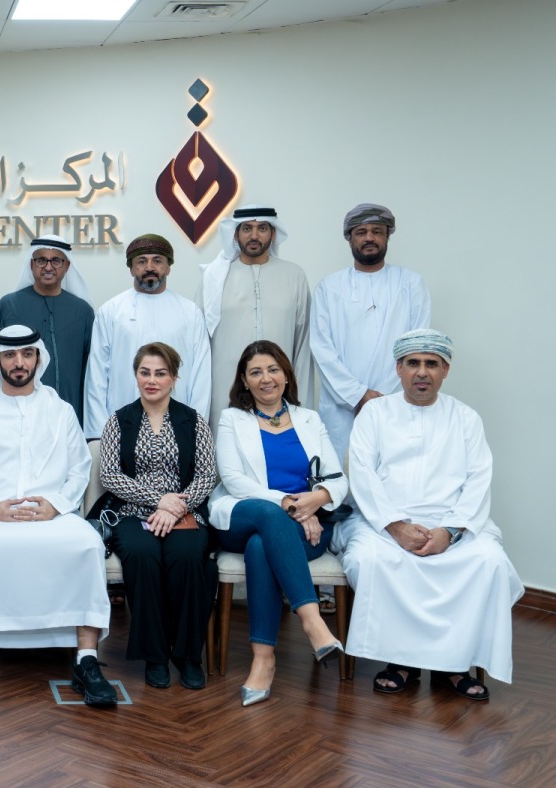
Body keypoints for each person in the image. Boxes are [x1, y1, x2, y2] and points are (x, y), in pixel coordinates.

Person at [337, 329, 522, 700]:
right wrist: (396, 527)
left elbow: (478, 479)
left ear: (445, 370)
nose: (422, 372)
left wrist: (449, 532)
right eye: (413, 363)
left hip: (453, 523)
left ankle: (453, 665)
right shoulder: (375, 413)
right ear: (399, 368)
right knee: (370, 560)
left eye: (432, 364)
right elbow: (362, 473)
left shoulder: (466, 417)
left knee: (489, 562)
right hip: (383, 522)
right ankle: (399, 661)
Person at [0, 325, 115, 708]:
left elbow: (79, 469)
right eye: (10, 355)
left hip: (50, 513)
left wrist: (56, 505)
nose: (18, 362)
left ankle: (86, 659)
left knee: (87, 543)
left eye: (26, 354)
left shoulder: (60, 410)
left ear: (38, 358)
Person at [208, 340, 347, 707]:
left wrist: (316, 500)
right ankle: (313, 623)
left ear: (286, 375)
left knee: (261, 546)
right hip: (244, 513)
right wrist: (291, 505)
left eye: (272, 369)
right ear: (244, 380)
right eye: (255, 372)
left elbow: (336, 479)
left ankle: (263, 659)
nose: (265, 378)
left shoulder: (309, 418)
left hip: (305, 523)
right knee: (267, 518)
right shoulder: (232, 418)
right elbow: (234, 479)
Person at [98, 342, 218, 691]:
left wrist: (176, 507)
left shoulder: (193, 421)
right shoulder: (119, 420)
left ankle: (188, 654)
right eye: (145, 372)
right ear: (136, 376)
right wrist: (158, 501)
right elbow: (110, 476)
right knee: (142, 554)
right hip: (132, 513)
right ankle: (155, 655)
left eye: (160, 373)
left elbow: (206, 476)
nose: (151, 380)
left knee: (188, 556)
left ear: (174, 378)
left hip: (185, 512)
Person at [311, 203, 430, 461]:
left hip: (397, 400)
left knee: (397, 471)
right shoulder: (328, 288)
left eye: (377, 231)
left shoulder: (411, 284)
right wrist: (358, 395)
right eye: (361, 232)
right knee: (344, 473)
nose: (369, 238)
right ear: (349, 238)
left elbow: (417, 347)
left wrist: (383, 398)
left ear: (387, 236)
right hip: (344, 409)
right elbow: (322, 350)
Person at [197, 206, 313, 430]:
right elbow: (199, 341)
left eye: (262, 228)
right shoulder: (213, 277)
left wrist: (300, 398)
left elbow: (303, 342)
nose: (254, 235)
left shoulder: (294, 275)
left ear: (274, 233)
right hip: (225, 387)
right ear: (235, 234)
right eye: (247, 228)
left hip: (278, 388)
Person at [85, 234, 211, 438]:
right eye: (142, 261)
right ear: (131, 268)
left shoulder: (190, 312)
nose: (150, 267)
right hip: (120, 426)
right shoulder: (111, 311)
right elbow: (97, 374)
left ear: (168, 267)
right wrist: (100, 433)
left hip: (180, 426)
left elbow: (201, 374)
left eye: (157, 261)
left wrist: (196, 427)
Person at [0, 235, 95, 425]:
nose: (48, 267)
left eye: (56, 261)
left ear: (67, 266)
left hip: (71, 411)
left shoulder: (83, 311)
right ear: (32, 265)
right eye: (41, 260)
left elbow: (91, 368)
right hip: (17, 413)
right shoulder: (9, 306)